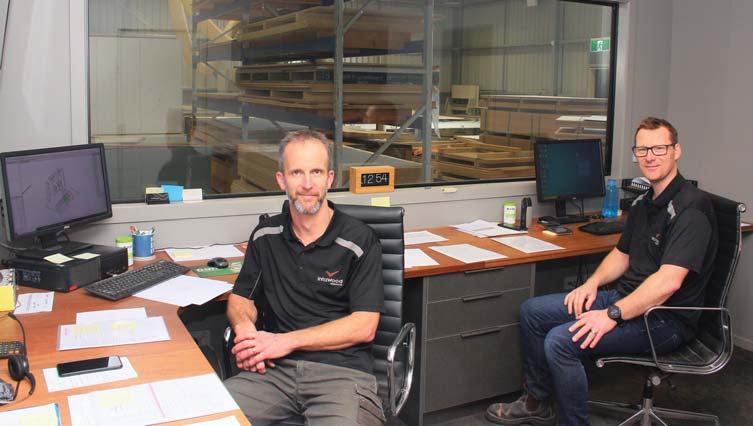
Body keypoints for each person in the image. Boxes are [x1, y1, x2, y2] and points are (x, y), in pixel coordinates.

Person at [486, 117, 719, 426]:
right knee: (533, 312)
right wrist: (592, 284)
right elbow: (622, 254)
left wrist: (611, 315)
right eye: (642, 149)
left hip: (665, 318)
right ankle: (537, 402)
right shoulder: (644, 202)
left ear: (676, 151)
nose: (650, 156)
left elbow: (668, 282)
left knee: (560, 342)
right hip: (627, 299)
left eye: (659, 148)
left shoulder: (691, 209)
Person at [224, 130, 386, 426]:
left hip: (342, 374)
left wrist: (285, 342)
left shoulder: (360, 240)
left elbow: (364, 326)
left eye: (316, 172)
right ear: (281, 180)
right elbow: (241, 299)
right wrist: (245, 329)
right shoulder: (265, 236)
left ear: (330, 179)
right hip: (274, 373)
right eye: (297, 172)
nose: (308, 184)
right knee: (206, 415)